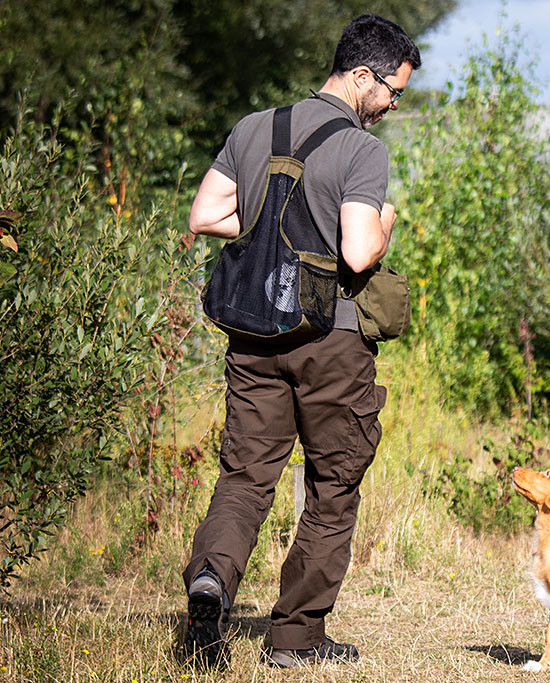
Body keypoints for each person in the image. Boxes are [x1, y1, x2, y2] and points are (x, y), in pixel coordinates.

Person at [183, 14, 420, 669]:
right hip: (331, 338)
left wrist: (261, 224)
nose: (395, 104)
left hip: (253, 333)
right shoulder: (361, 150)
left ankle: (212, 580)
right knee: (333, 483)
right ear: (362, 75)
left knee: (244, 476)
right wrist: (388, 222)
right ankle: (296, 637)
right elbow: (359, 248)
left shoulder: (254, 127)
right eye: (393, 91)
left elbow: (204, 215)